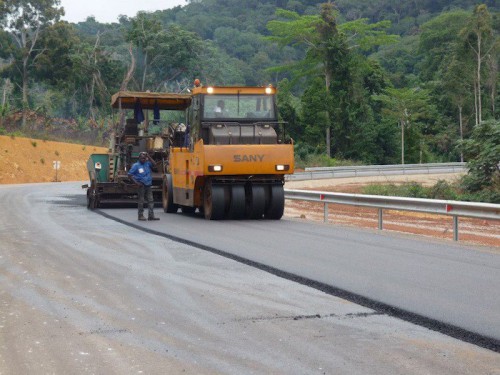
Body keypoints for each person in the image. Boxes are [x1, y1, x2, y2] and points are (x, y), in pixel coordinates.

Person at [128, 152, 160, 221]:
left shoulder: (147, 163)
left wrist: (149, 156)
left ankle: (151, 216)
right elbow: (129, 175)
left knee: (151, 200)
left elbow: (155, 164)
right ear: (139, 158)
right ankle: (140, 215)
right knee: (141, 201)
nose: (143, 159)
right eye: (142, 158)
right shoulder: (135, 166)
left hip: (148, 185)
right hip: (141, 185)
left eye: (144, 158)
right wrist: (136, 183)